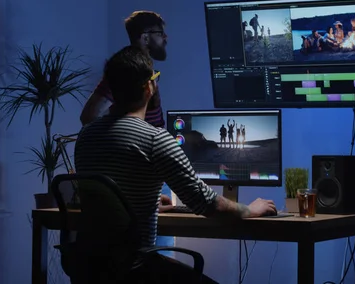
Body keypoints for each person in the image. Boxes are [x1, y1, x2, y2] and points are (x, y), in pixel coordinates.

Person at [74, 46, 277, 283]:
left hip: (88, 267)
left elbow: (107, 198)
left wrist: (140, 202)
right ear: (148, 87)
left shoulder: (86, 137)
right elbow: (206, 203)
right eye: (155, 78)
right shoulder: (154, 139)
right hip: (134, 268)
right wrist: (250, 210)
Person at [79, 10, 173, 212]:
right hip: (138, 178)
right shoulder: (125, 74)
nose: (165, 38)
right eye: (160, 33)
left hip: (153, 173)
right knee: (152, 242)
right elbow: (88, 116)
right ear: (145, 37)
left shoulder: (147, 72)